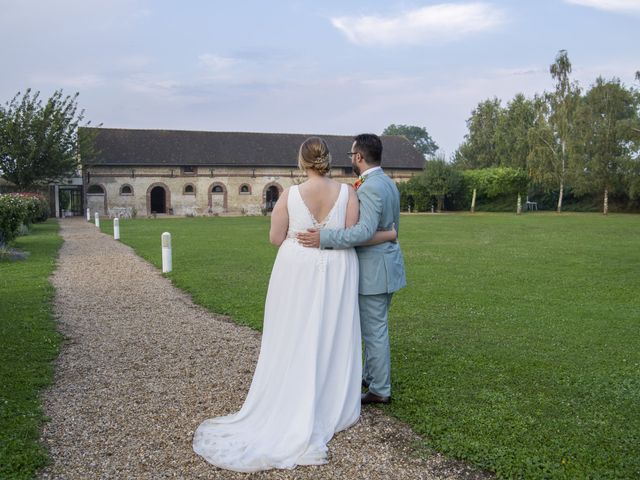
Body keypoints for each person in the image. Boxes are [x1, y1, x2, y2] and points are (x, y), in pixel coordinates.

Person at [193, 137, 396, 472]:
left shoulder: (289, 194)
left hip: (298, 266)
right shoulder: (348, 192)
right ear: (329, 161)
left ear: (302, 163)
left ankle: (294, 388)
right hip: (337, 266)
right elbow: (350, 232)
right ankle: (330, 395)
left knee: (295, 326)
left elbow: (276, 238)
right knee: (334, 327)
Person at [297, 133, 406, 405]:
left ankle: (380, 389)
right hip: (386, 265)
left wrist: (325, 238)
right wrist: (389, 236)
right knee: (374, 328)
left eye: (351, 154)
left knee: (374, 331)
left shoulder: (370, 187)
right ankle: (370, 375)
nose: (351, 158)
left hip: (375, 271)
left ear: (358, 157)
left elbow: (363, 232)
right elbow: (388, 229)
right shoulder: (387, 183)